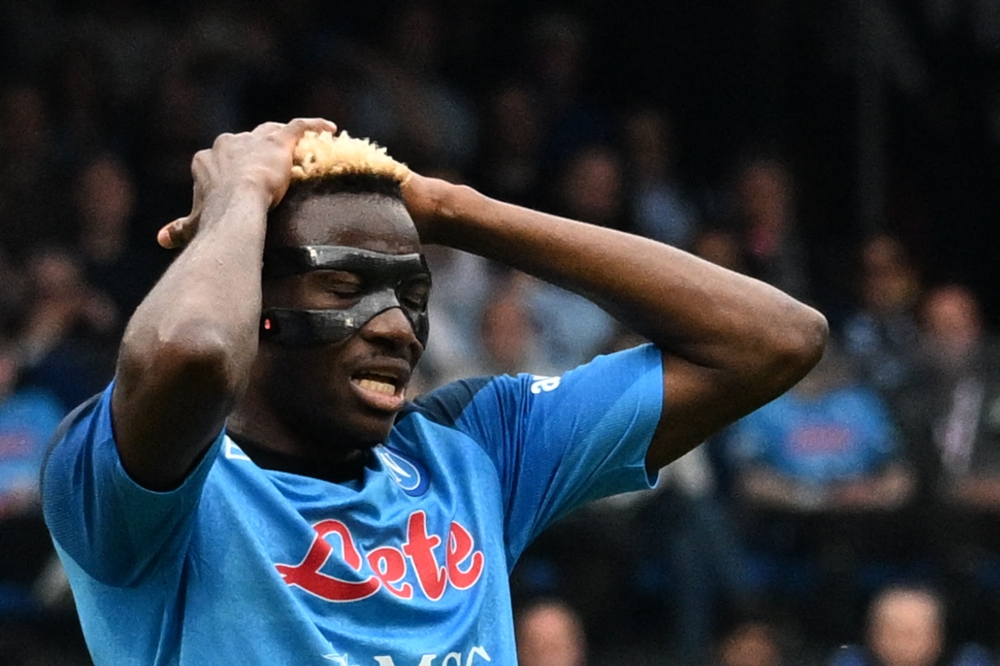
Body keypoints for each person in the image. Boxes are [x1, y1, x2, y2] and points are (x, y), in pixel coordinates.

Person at [40, 118, 826, 664]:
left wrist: (457, 209)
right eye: (344, 283)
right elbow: (191, 351)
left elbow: (773, 338)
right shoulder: (138, 480)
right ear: (254, 303)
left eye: (409, 293)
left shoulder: (476, 449)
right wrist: (240, 196)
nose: (397, 328)